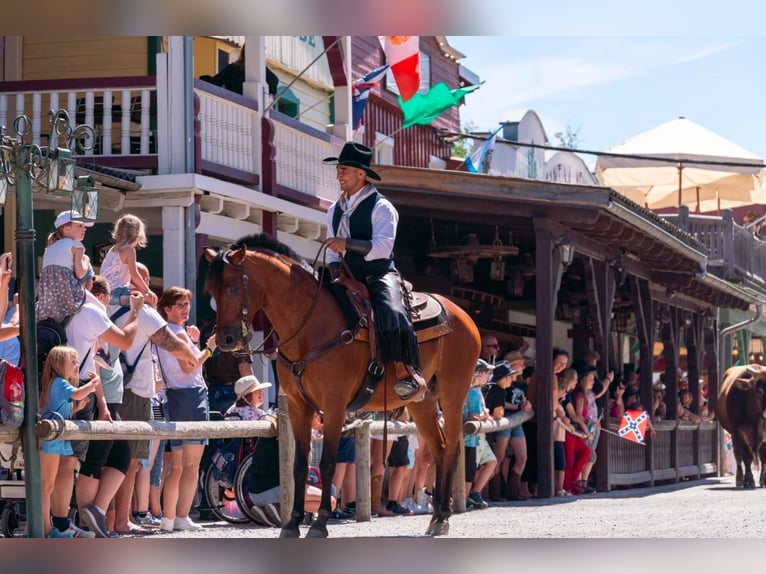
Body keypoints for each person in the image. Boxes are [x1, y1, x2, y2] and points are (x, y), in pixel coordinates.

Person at [324, 142, 425, 401]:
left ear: (361, 173)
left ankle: (405, 372)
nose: (339, 175)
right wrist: (336, 271)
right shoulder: (333, 210)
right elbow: (330, 250)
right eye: (338, 169)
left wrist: (346, 244)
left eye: (344, 169)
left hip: (378, 273)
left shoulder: (382, 207)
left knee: (391, 311)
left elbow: (382, 248)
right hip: (346, 276)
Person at [154, 287, 216, 532]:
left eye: (186, 304)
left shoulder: (165, 333)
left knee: (178, 465)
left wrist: (197, 342)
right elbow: (191, 367)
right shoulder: (177, 334)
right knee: (190, 466)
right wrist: (209, 348)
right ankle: (179, 516)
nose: (185, 309)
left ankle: (171, 518)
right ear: (167, 309)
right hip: (191, 396)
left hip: (174, 396)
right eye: (179, 305)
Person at [39, 345, 100, 538]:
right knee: (46, 486)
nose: (76, 366)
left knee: (48, 485)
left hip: (55, 437)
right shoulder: (60, 383)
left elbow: (63, 409)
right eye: (72, 362)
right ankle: (46, 529)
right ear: (58, 364)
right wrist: (94, 383)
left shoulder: (55, 383)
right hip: (51, 439)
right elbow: (78, 393)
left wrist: (77, 408)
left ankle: (44, 527)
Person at [36, 211, 94, 323]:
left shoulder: (49, 248)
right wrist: (86, 260)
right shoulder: (77, 246)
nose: (85, 229)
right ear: (66, 228)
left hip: (49, 299)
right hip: (69, 294)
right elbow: (80, 273)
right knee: (100, 307)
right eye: (80, 225)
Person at [99, 214, 158, 308]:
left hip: (106, 293)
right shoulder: (129, 249)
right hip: (116, 294)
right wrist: (148, 291)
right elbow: (134, 275)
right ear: (138, 233)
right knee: (149, 298)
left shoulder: (113, 249)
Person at [463, 358, 495, 510]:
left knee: (471, 469)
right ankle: (463, 499)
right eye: (487, 372)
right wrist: (485, 415)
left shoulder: (471, 391)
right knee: (468, 471)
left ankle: (468, 497)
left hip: (472, 438)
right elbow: (473, 416)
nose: (489, 376)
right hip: (469, 438)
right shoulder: (473, 393)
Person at [199, 44, 279, 97]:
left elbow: (215, 82)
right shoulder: (260, 69)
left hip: (234, 104)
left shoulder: (233, 68)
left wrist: (203, 79)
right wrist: (267, 95)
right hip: (245, 106)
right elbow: (274, 81)